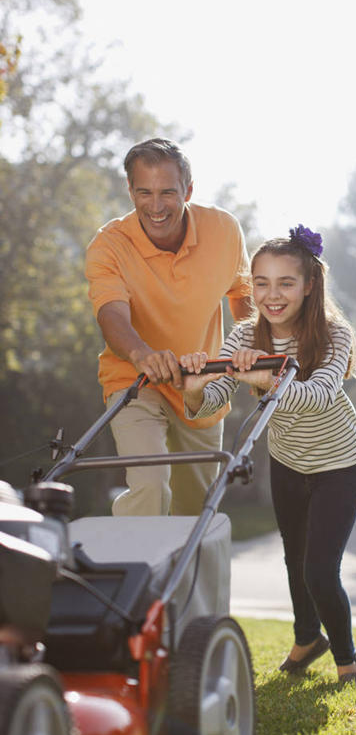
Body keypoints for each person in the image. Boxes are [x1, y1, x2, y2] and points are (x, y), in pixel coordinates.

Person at [180, 224, 356, 684]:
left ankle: (347, 662)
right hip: (288, 461)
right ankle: (308, 639)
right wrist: (192, 390)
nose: (272, 294)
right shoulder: (244, 334)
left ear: (308, 286)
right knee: (294, 559)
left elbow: (317, 395)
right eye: (261, 283)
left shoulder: (332, 334)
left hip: (340, 464)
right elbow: (212, 398)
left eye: (286, 283)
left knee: (320, 570)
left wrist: (260, 379)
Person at [85, 137, 253, 516]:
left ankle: (192, 577)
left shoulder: (224, 230)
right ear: (130, 190)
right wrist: (142, 355)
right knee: (150, 484)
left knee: (197, 512)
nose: (155, 206)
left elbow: (243, 297)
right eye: (143, 192)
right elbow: (111, 314)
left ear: (188, 190)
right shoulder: (109, 245)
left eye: (167, 192)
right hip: (135, 380)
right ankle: (137, 573)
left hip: (202, 385)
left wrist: (255, 350)